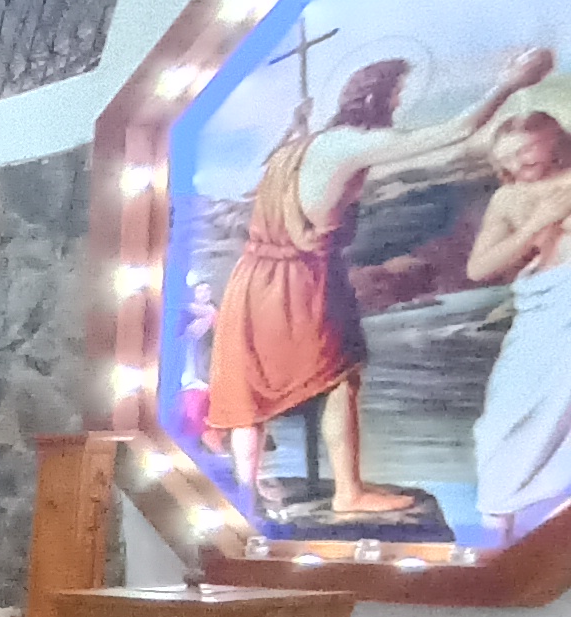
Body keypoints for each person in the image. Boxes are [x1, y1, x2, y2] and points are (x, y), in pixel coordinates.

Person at [207, 49, 551, 510]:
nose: (399, 105)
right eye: (397, 95)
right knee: (340, 378)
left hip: (252, 280)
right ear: (377, 97)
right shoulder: (353, 145)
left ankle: (244, 492)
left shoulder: (297, 150)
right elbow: (456, 131)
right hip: (302, 280)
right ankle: (348, 492)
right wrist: (510, 83)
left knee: (248, 390)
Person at [468, 110, 571, 539]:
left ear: (554, 142)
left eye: (527, 149)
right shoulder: (507, 199)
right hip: (540, 312)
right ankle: (497, 530)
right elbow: (479, 268)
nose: (518, 161)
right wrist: (537, 223)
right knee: (501, 421)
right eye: (508, 156)